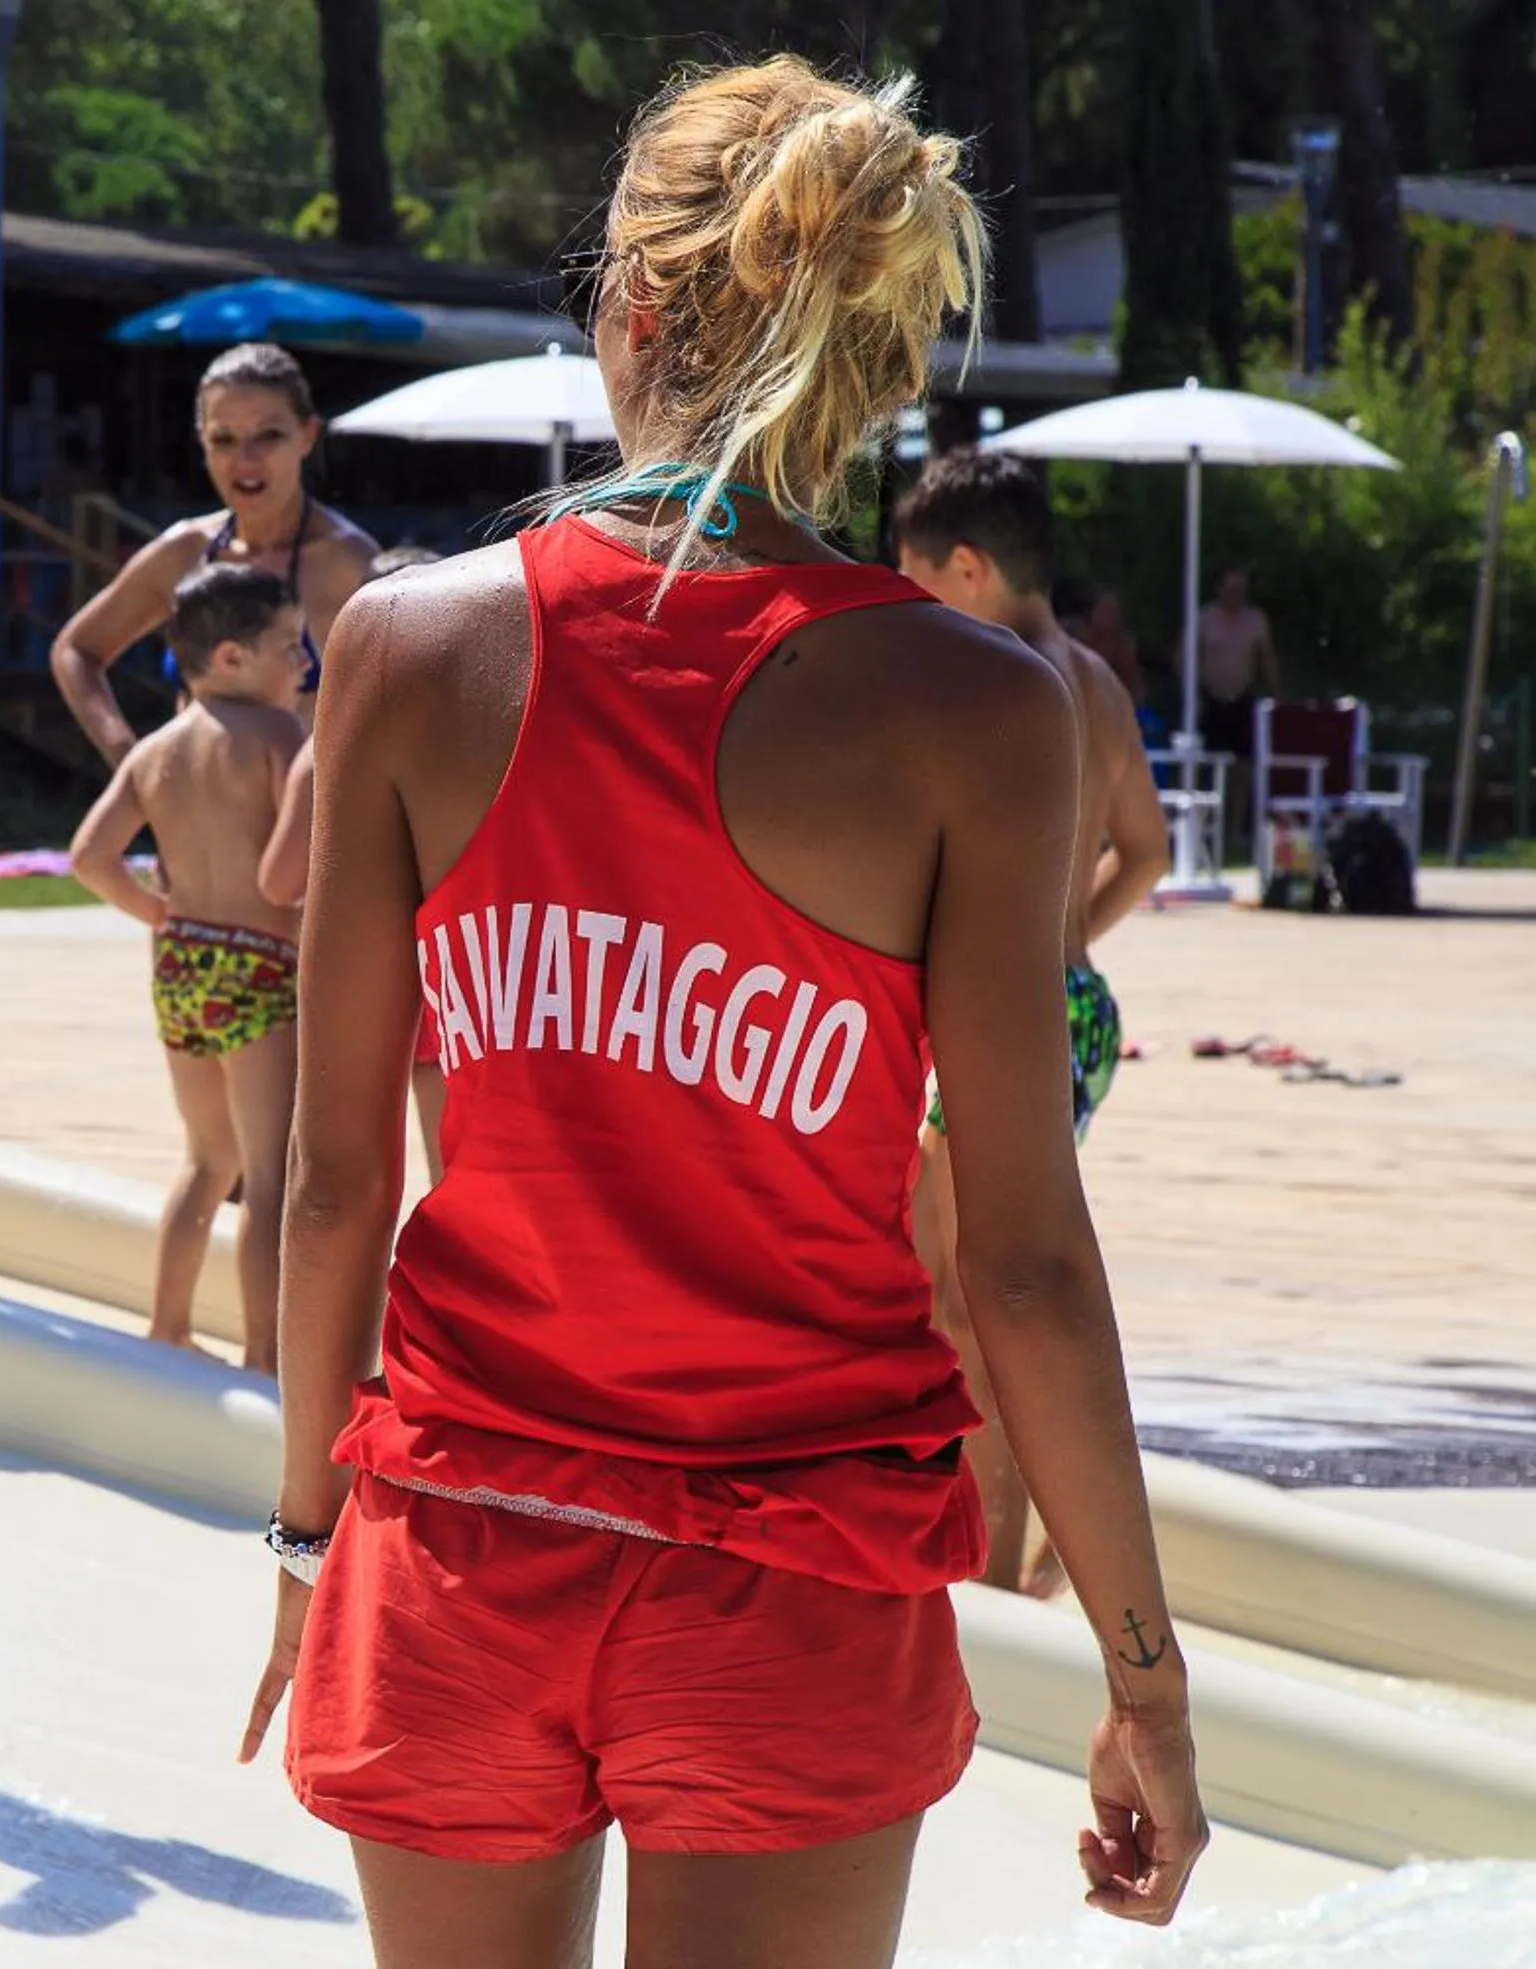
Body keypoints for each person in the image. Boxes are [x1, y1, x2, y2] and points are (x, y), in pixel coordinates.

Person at [239, 57, 1205, 1968]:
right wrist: (1140, 1669)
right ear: (877, 354)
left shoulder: (411, 645)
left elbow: (334, 1179)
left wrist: (299, 1544)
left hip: (452, 1534)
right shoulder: (974, 712)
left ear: (634, 307)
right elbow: (1014, 1259)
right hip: (796, 1579)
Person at [894, 449, 1173, 1595]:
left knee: (963, 1299)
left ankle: (988, 1569)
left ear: (966, 567)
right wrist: (1063, 952)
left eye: (913, 581)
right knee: (981, 1282)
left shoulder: (988, 671)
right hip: (1074, 1005)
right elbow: (1149, 850)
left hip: (1003, 1014)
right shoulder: (1098, 682)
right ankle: (993, 1545)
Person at [69, 562, 306, 1369]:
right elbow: (292, 866)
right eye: (289, 645)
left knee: (208, 1160)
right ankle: (264, 1350)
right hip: (261, 968)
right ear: (233, 657)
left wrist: (158, 914)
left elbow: (90, 857)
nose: (303, 660)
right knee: (271, 1173)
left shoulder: (156, 751)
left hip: (182, 965)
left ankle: (166, 1324)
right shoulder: (278, 737)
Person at [48, 343, 377, 763]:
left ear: (307, 435)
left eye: (268, 435)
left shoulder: (349, 562)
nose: (246, 459)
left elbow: (405, 703)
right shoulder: (184, 552)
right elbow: (76, 651)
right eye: (224, 439)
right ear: (203, 442)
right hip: (194, 823)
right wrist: (131, 763)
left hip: (301, 823)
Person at [260, 545, 450, 1184]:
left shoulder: (326, 746)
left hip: (363, 973)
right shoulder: (466, 735)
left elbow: (279, 880)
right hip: (452, 974)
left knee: (338, 1170)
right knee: (455, 1174)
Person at [1194, 567, 1279, 764]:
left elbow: (1267, 659)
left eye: (1241, 589)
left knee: (1243, 760)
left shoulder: (1256, 620)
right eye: (1232, 588)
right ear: (1219, 588)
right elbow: (1184, 657)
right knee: (1208, 760)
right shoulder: (1204, 618)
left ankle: (1239, 796)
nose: (1236, 594)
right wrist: (1193, 692)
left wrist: (1275, 693)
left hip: (1243, 697)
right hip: (1209, 699)